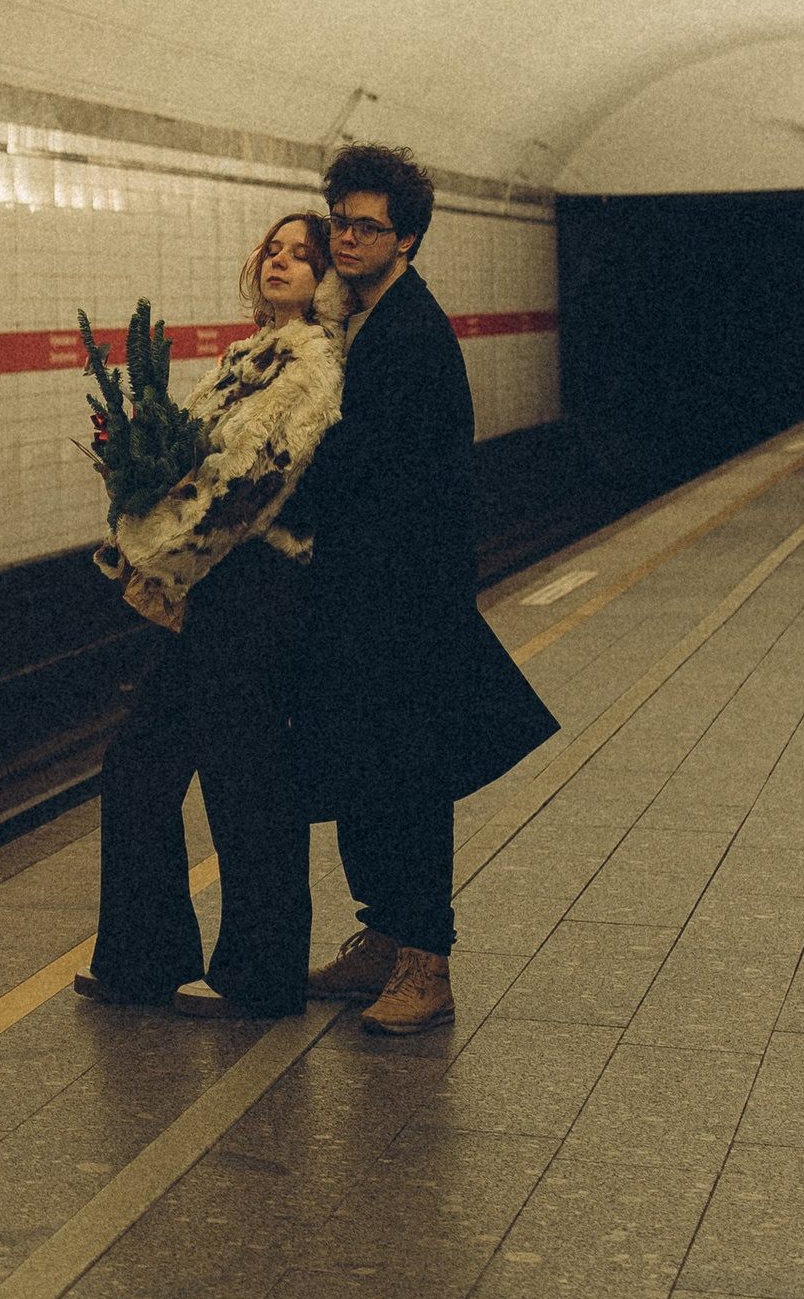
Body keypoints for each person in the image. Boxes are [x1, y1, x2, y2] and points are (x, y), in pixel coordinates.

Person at [295, 143, 560, 1036]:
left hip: (404, 597)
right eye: (340, 222)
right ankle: (382, 936)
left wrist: (253, 492)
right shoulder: (355, 318)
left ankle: (426, 962)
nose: (348, 238)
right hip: (361, 590)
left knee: (409, 774)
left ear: (408, 238)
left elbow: (351, 461)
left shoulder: (409, 332)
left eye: (368, 226)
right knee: (363, 766)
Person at [75, 209, 347, 1020]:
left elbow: (249, 481)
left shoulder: (312, 366)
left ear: (328, 279)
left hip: (259, 593)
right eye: (274, 249)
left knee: (245, 785)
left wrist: (153, 550)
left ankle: (257, 976)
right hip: (218, 592)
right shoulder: (248, 359)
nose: (283, 263)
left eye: (305, 256)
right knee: (143, 768)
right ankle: (146, 958)